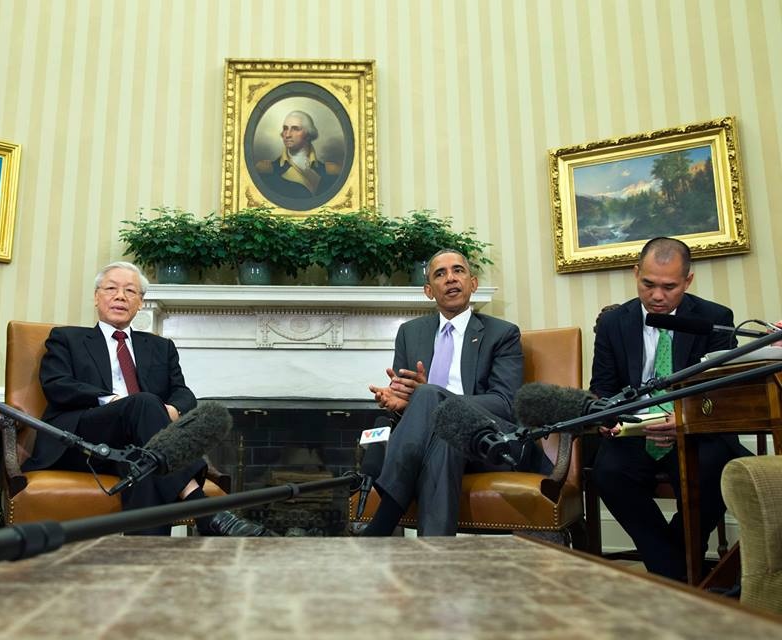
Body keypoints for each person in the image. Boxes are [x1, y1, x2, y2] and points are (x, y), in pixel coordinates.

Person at [26, 261, 270, 536]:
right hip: (83, 440)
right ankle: (204, 509)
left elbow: (183, 392)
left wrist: (173, 409)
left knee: (143, 461)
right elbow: (57, 385)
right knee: (143, 404)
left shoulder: (160, 347)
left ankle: (144, 554)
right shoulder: (67, 338)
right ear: (96, 297)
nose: (120, 296)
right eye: (111, 289)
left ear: (140, 302)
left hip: (136, 444)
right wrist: (113, 400)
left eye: (130, 291)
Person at [590, 236, 749, 580]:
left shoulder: (714, 319)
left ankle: (669, 571)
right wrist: (611, 418)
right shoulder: (614, 323)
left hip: (694, 430)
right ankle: (680, 573)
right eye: (648, 284)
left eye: (669, 287)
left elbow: (722, 393)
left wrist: (682, 419)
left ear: (687, 281)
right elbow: (602, 387)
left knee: (716, 469)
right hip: (635, 429)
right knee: (608, 473)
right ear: (636, 273)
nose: (657, 296)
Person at [363, 249, 546, 536]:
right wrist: (402, 404)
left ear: (473, 283)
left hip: (492, 442)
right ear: (428, 291)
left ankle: (382, 523)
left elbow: (505, 403)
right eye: (440, 274)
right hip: (443, 442)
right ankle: (437, 553)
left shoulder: (502, 334)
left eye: (458, 270)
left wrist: (432, 396)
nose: (450, 278)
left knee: (429, 397)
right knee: (445, 433)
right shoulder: (410, 333)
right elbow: (408, 403)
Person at [254, 110, 341, 199]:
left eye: (295, 129)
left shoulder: (330, 171)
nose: (287, 135)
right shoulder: (267, 170)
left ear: (308, 134)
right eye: (285, 128)